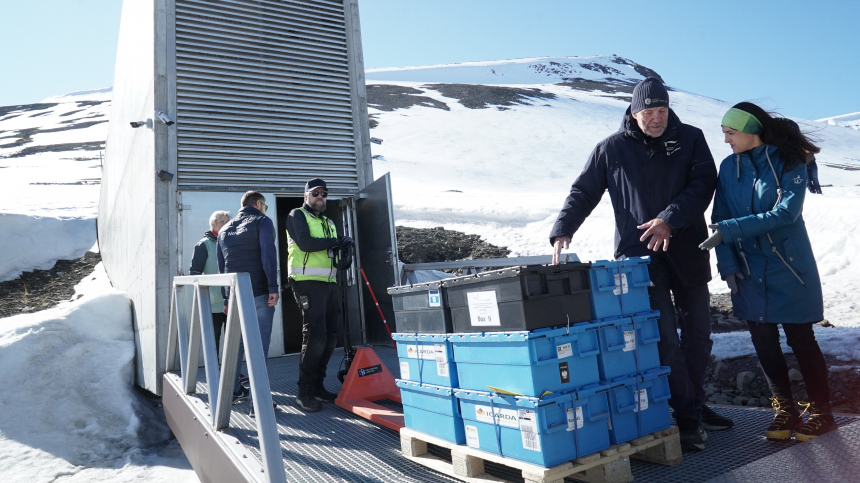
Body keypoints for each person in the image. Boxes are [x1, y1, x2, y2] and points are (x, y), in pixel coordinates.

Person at [549, 77, 733, 452]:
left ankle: (695, 403)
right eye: (648, 111)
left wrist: (670, 219)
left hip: (687, 249)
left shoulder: (691, 138)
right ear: (634, 113)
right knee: (664, 338)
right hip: (640, 259)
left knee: (698, 335)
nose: (656, 118)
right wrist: (563, 230)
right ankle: (687, 416)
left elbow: (704, 184)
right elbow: (584, 191)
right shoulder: (611, 149)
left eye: (662, 110)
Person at [700, 102, 834, 441]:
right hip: (748, 269)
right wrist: (728, 266)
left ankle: (822, 413)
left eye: (731, 133)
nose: (726, 140)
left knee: (801, 339)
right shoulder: (729, 167)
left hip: (788, 267)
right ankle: (785, 411)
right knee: (763, 340)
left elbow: (786, 213)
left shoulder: (789, 160)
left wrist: (729, 231)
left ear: (751, 131)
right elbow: (720, 219)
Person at [286, 178, 353, 412]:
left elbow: (331, 249)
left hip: (329, 282)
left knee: (330, 335)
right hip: (306, 282)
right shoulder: (297, 215)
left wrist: (343, 246)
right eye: (315, 193)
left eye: (324, 194)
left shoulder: (328, 222)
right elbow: (305, 243)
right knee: (315, 335)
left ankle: (317, 387)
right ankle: (304, 393)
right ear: (306, 195)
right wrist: (336, 241)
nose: (320, 197)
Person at [217, 191, 279, 415]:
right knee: (258, 349)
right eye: (265, 207)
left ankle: (232, 392)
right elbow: (268, 256)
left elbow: (222, 267)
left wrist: (226, 297)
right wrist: (273, 287)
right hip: (259, 293)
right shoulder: (262, 222)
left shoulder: (224, 229)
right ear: (259, 204)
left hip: (235, 295)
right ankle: (258, 403)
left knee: (236, 346)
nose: (265, 210)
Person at [189, 210, 231, 356]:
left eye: (227, 222)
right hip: (213, 305)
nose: (226, 224)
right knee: (213, 342)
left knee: (233, 342)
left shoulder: (230, 243)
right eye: (222, 222)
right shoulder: (203, 245)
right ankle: (214, 370)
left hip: (231, 301)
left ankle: (231, 369)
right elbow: (195, 273)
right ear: (213, 224)